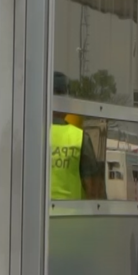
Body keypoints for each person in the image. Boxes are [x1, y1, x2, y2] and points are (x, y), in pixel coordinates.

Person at [51, 72, 103, 200]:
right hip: (71, 218)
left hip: (35, 219)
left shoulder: (30, 136)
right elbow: (92, 190)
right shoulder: (79, 138)